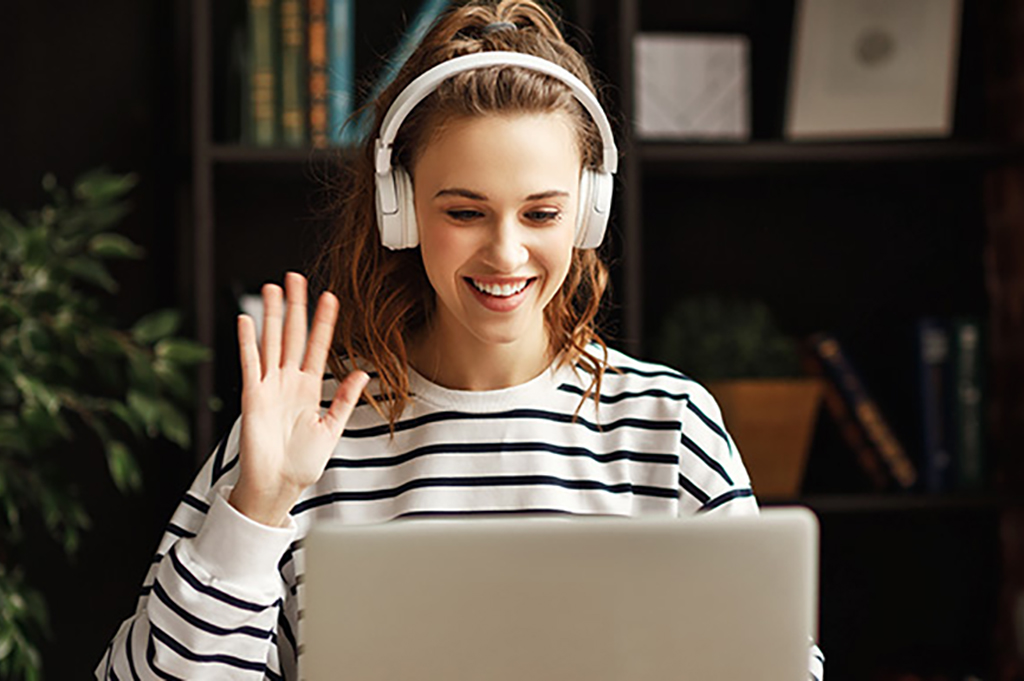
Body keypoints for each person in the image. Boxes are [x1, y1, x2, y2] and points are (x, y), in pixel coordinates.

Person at [96, 1, 824, 678]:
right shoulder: (301, 434)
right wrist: (256, 507)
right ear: (401, 209)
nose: (506, 254)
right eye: (466, 212)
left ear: (588, 214)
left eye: (541, 213)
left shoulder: (670, 428)